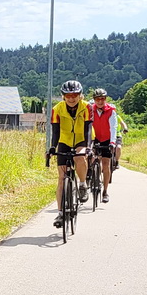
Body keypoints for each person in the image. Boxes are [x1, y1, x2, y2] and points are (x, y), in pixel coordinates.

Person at [49, 79, 91, 229]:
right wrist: (53, 147)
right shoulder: (57, 109)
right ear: (63, 96)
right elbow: (55, 131)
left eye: (75, 95)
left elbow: (88, 129)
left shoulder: (87, 107)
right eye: (68, 95)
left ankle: (82, 184)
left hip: (81, 139)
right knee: (61, 178)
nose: (71, 98)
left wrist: (88, 147)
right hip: (64, 141)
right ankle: (60, 213)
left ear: (80, 95)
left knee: (80, 157)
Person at [88, 88, 128, 202]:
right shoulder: (90, 110)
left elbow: (113, 127)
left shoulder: (111, 111)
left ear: (105, 99)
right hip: (95, 138)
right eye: (97, 99)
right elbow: (88, 126)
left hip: (106, 139)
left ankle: (105, 191)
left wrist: (112, 142)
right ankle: (90, 176)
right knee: (91, 158)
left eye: (102, 99)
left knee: (106, 164)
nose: (100, 101)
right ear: (94, 100)